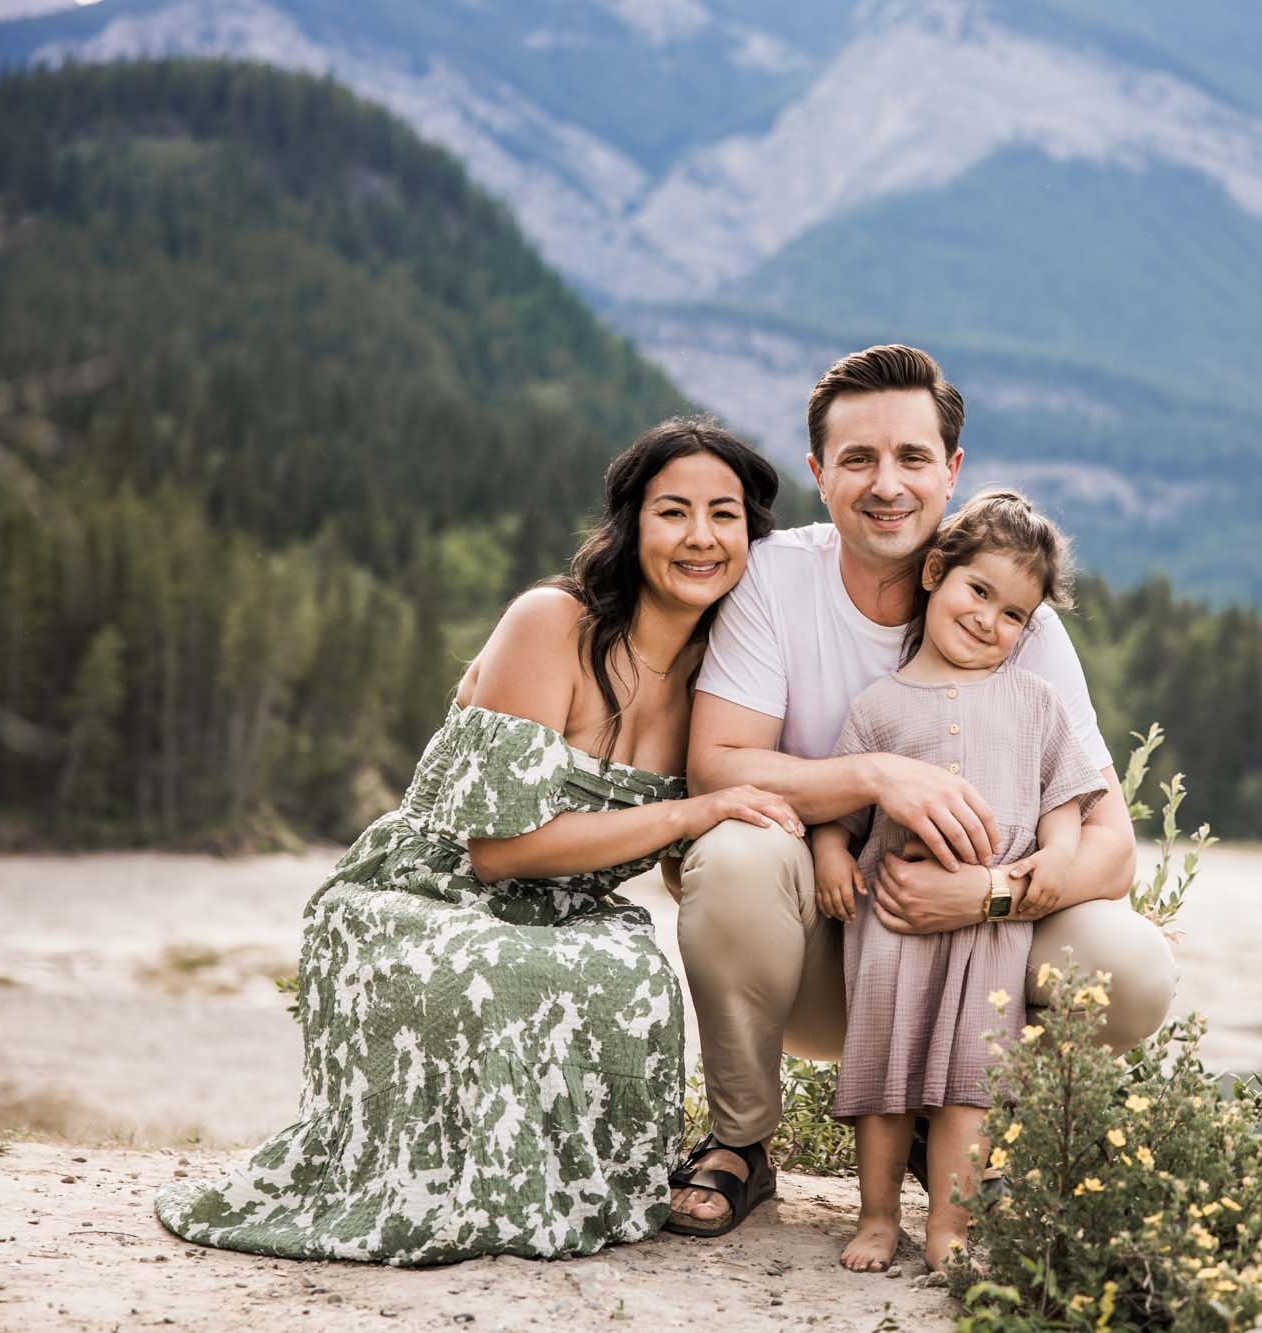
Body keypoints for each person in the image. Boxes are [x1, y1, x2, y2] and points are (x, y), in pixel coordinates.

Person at [154, 418, 799, 1265]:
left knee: (633, 966)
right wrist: (688, 814)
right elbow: (500, 851)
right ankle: (466, 1194)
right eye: (673, 511)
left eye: (725, 515)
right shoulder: (552, 622)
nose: (701, 537)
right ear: (630, 526)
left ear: (752, 537)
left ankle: (598, 1181)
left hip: (563, 910)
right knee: (506, 966)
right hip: (421, 896)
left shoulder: (728, 680)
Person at [665, 345, 1178, 1240]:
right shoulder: (775, 579)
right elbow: (717, 761)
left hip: (983, 960)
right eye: (858, 459)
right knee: (735, 852)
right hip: (831, 949)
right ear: (820, 474)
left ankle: (958, 1121)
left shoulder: (1021, 619)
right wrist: (872, 777)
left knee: (1131, 968)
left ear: (952, 472)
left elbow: (1112, 847)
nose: (886, 483)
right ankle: (742, 1143)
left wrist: (987, 893)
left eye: (912, 457)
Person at [816, 489, 1106, 1273]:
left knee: (968, 1086)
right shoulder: (876, 709)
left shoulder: (1038, 703)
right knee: (882, 1075)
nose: (989, 620)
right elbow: (837, 810)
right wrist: (830, 856)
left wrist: (1056, 853)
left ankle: (949, 1225)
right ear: (935, 573)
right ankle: (877, 1217)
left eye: (1014, 614)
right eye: (978, 591)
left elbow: (1066, 798)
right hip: (892, 925)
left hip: (990, 934)